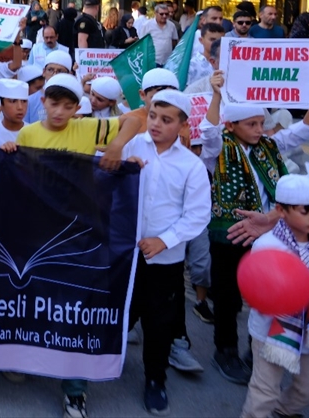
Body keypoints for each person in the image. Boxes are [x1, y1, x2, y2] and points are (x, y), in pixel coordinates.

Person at [11, 73, 145, 418]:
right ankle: (25, 358)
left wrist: (116, 146)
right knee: (34, 300)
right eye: (54, 103)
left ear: (77, 108)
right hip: (39, 233)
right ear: (43, 102)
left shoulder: (88, 130)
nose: (59, 112)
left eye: (68, 106)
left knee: (75, 307)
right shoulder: (28, 134)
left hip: (81, 233)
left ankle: (75, 390)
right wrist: (8, 152)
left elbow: (140, 117)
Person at [198, 71, 309, 385]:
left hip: (271, 234)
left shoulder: (269, 144)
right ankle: (224, 350)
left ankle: (258, 349)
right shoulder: (219, 149)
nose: (260, 130)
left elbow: (307, 128)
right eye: (252, 124)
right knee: (228, 296)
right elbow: (209, 132)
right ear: (232, 125)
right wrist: (216, 95)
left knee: (269, 293)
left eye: (261, 123)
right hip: (231, 233)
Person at [119, 90, 211, 416]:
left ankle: (155, 379)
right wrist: (121, 167)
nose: (156, 124)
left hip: (165, 260)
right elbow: (107, 174)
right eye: (154, 116)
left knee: (159, 323)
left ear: (183, 124)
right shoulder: (133, 145)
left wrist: (165, 240)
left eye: (167, 120)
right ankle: (102, 363)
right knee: (118, 312)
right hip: (126, 253)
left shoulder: (191, 166)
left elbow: (198, 214)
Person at [239, 175, 309, 418]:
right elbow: (255, 289)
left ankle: (283, 409)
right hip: (269, 332)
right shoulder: (266, 247)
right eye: (305, 212)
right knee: (264, 391)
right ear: (281, 210)